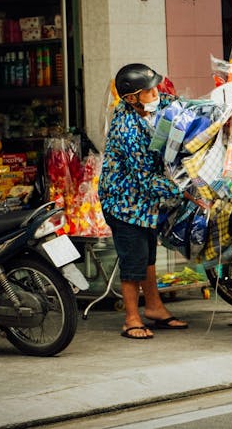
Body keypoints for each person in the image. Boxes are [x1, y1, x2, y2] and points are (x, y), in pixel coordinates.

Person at [98, 63, 205, 340]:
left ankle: (155, 308)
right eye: (149, 90)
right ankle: (131, 318)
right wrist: (184, 191)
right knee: (133, 260)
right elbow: (146, 180)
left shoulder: (154, 107)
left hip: (145, 203)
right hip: (124, 203)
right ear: (132, 98)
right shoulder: (126, 130)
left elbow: (178, 106)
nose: (156, 93)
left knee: (148, 257)